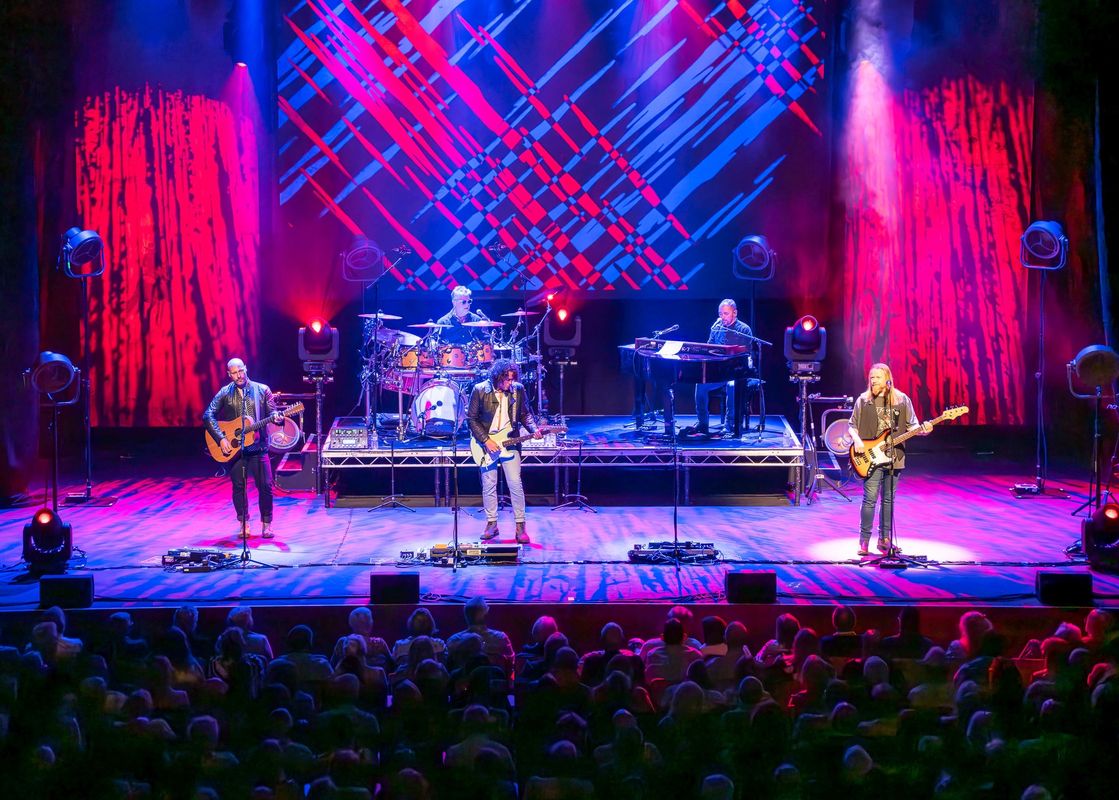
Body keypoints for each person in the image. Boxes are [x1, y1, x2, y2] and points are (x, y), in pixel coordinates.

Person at [848, 362, 932, 555]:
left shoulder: (901, 399)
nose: (873, 381)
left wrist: (923, 430)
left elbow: (913, 425)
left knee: (888, 500)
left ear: (887, 379)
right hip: (870, 457)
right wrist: (857, 440)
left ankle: (884, 539)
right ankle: (864, 541)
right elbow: (851, 425)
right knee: (869, 499)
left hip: (895, 457)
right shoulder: (863, 400)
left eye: (877, 377)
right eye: (871, 377)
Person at [203, 357, 282, 539]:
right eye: (234, 373)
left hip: (258, 446)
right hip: (236, 449)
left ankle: (266, 525)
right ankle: (244, 523)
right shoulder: (225, 392)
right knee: (239, 487)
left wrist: (277, 418)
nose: (239, 375)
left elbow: (273, 413)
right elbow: (208, 415)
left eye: (241, 371)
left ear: (246, 369)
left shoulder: (262, 390)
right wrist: (221, 438)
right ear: (229, 374)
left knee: (266, 486)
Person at [466, 358, 541, 544]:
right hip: (486, 444)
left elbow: (524, 414)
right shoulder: (480, 390)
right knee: (489, 484)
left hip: (510, 442)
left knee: (515, 483)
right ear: (497, 377)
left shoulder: (518, 389)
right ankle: (491, 524)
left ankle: (520, 526)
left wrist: (534, 430)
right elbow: (472, 419)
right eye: (506, 379)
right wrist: (486, 440)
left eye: (512, 378)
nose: (510, 382)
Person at [693, 299, 752, 435]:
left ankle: (729, 424)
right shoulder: (716, 327)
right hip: (719, 373)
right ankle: (702, 423)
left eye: (726, 313)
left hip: (737, 374)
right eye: (720, 314)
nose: (722, 317)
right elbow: (709, 347)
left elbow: (746, 355)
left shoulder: (744, 329)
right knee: (700, 384)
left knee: (732, 385)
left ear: (734, 313)